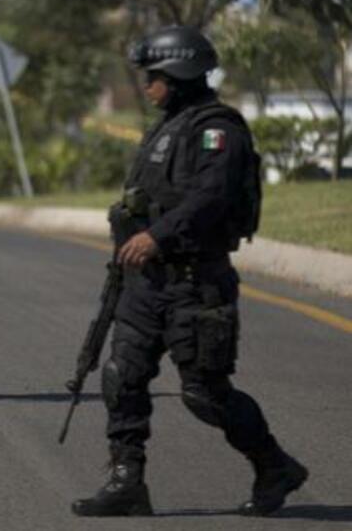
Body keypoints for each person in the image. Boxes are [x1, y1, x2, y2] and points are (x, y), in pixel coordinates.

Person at [72, 26, 307, 517]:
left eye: (154, 76)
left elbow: (211, 197)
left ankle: (274, 465)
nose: (147, 85)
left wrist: (157, 236)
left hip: (195, 284)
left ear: (179, 74)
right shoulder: (166, 125)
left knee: (203, 392)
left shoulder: (218, 130)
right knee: (122, 376)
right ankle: (126, 480)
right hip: (143, 284)